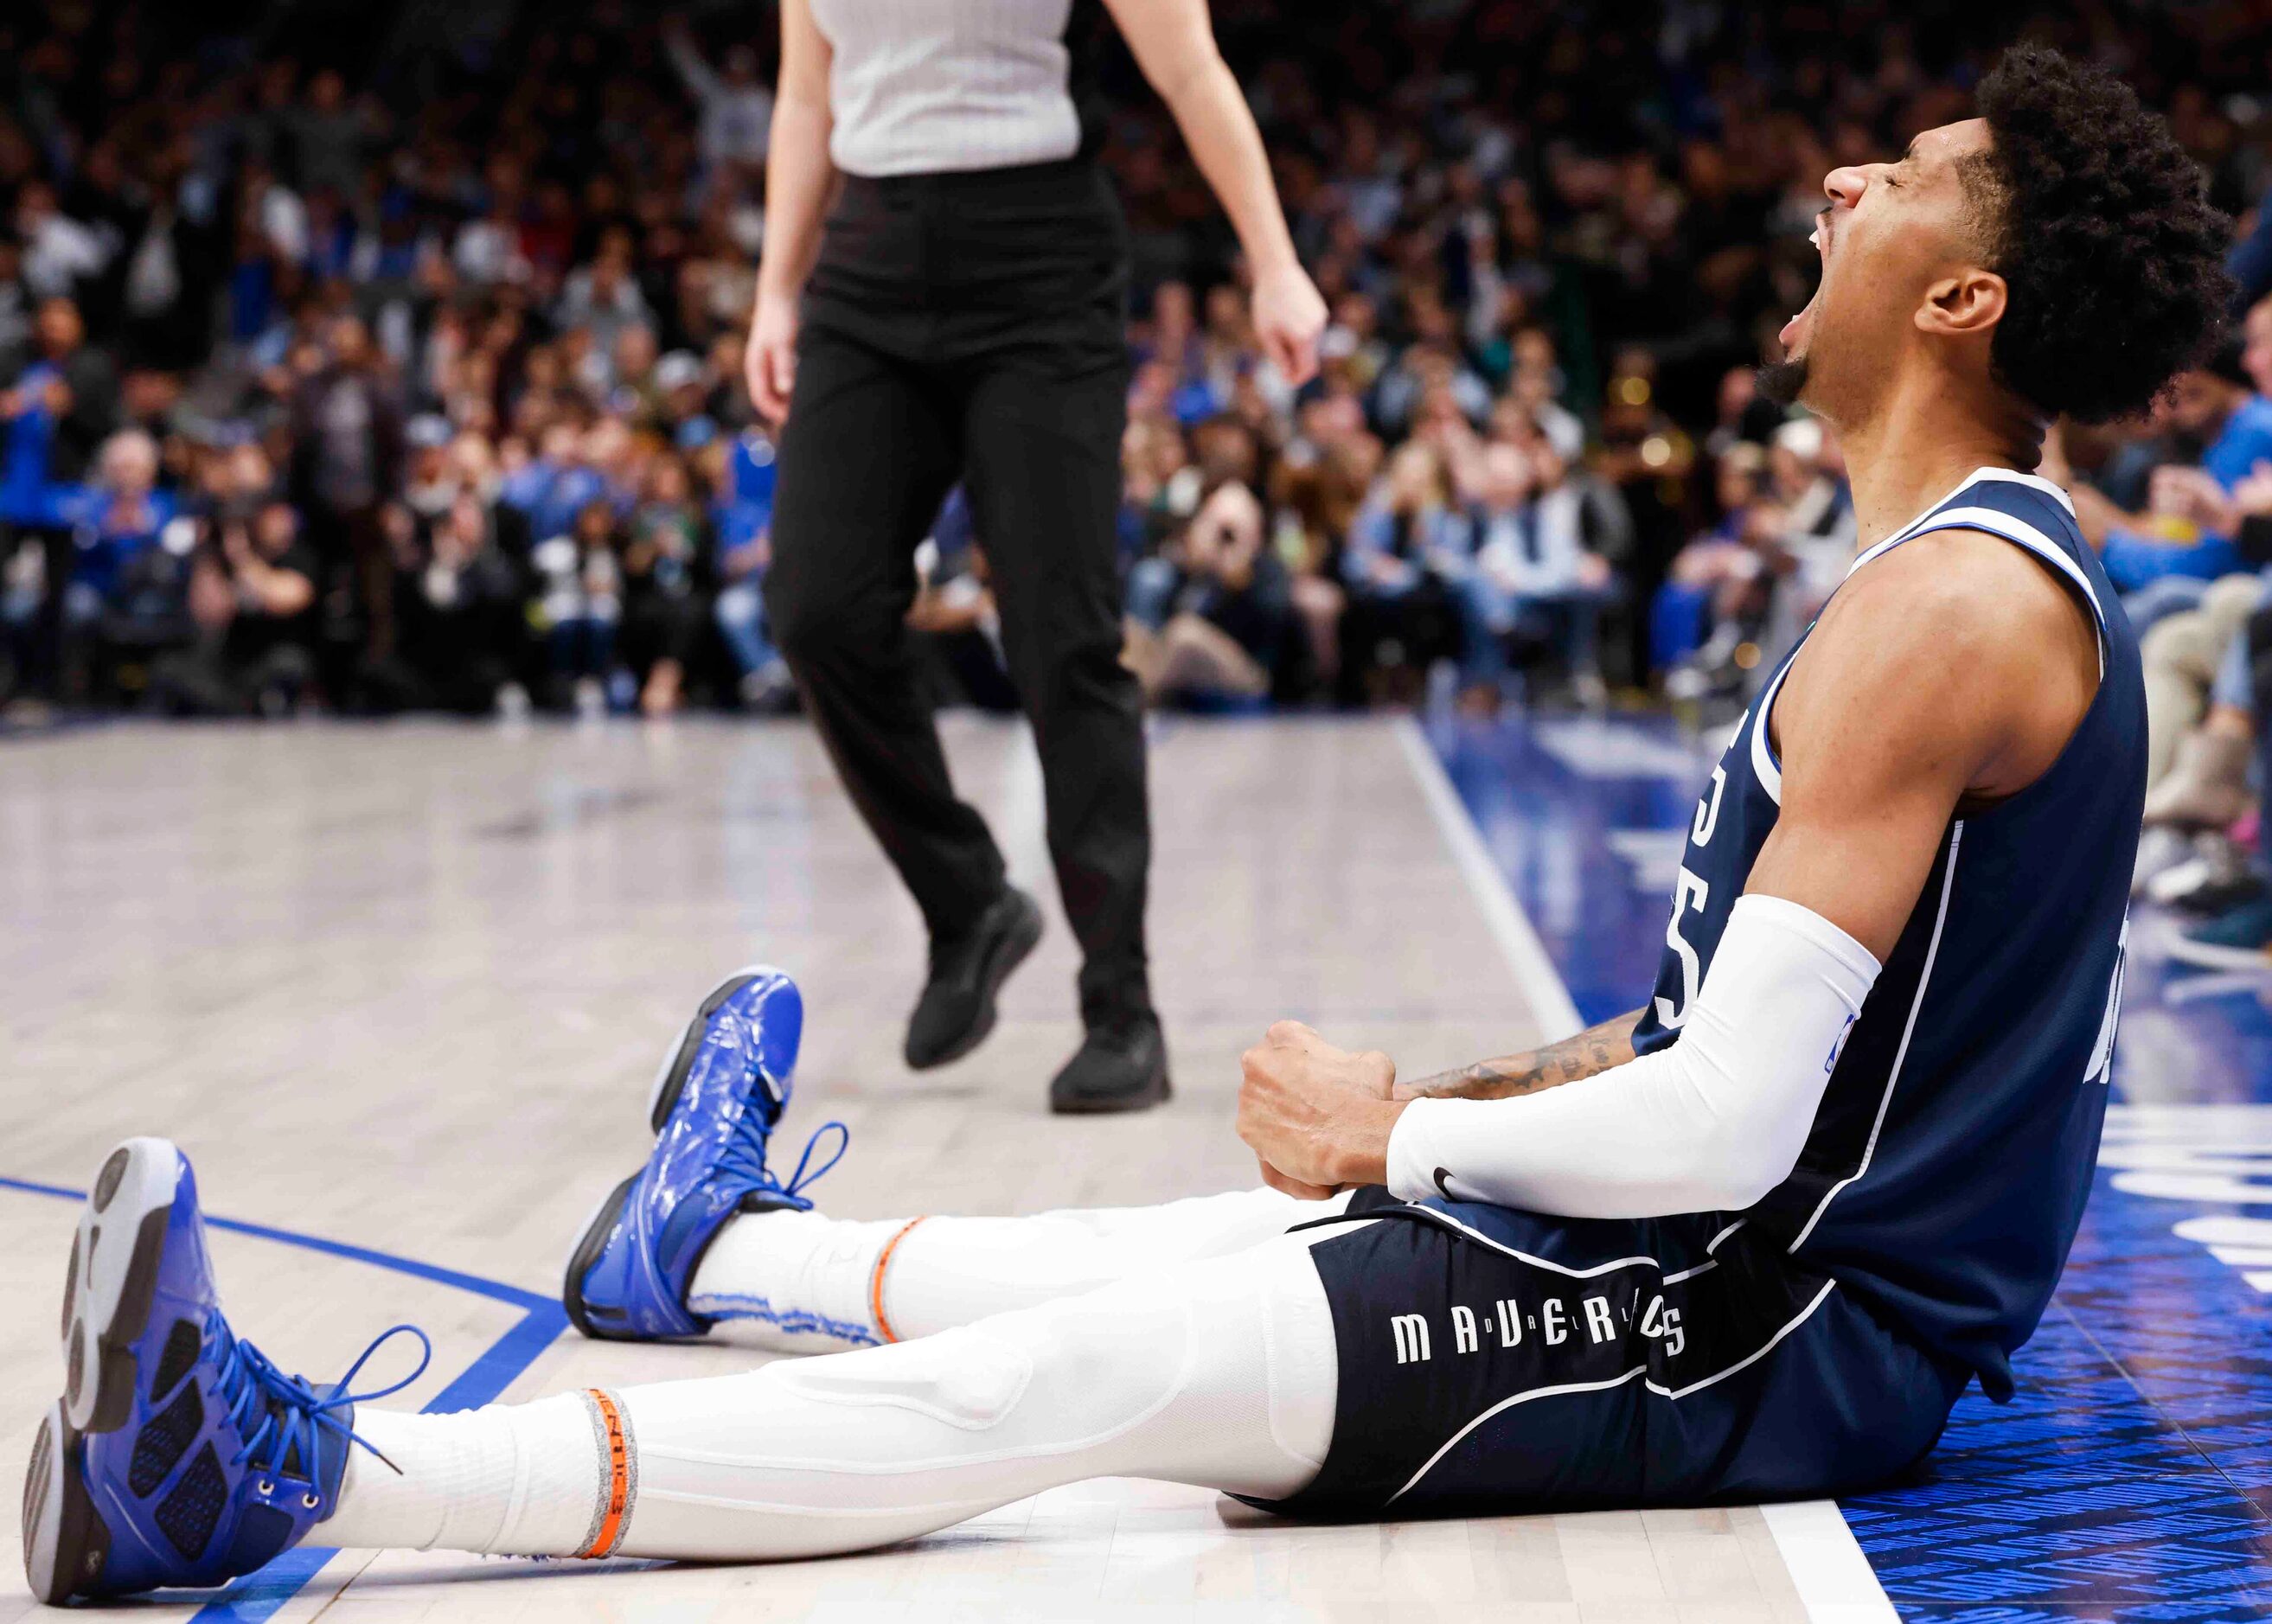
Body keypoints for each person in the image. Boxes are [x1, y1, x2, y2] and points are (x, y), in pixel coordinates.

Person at [23, 47, 2232, 1603]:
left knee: (1099, 1373)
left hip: (1771, 1331)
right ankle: (706, 1254)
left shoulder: (1951, 604)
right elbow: (1700, 1062)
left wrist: (1405, 1136)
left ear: (1964, 301)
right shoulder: (1941, 577)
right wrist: (1451, 1102)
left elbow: (1738, 1130)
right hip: (1719, 1261)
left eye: (1909, 181)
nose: (1846, 182)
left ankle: (291, 1474)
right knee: (1168, 1249)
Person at [749, 0, 1326, 1113]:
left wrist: (1273, 262)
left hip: (1037, 262)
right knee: (817, 612)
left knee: (1063, 641)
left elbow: (1191, 69)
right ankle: (969, 903)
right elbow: (806, 95)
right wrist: (776, 288)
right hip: (866, 264)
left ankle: (1123, 1013)